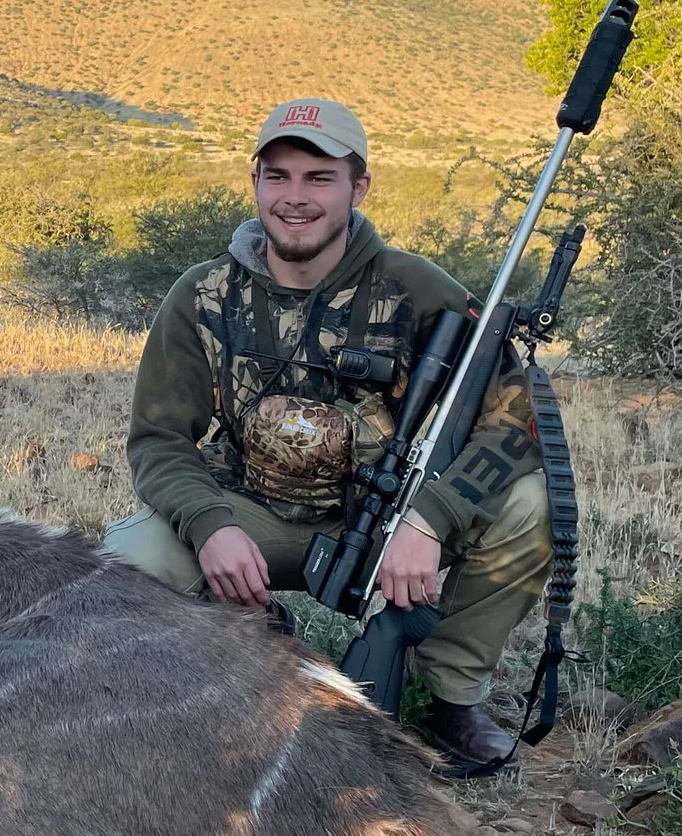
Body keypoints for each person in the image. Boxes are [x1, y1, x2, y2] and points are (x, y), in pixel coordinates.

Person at [102, 98, 552, 769]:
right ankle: (242, 647)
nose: (295, 197)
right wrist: (211, 527)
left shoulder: (418, 287)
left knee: (529, 506)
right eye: (278, 176)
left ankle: (451, 697)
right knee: (129, 559)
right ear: (255, 182)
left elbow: (515, 420)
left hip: (386, 524)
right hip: (250, 514)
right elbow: (159, 440)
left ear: (358, 187)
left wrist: (430, 518)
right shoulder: (203, 293)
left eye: (319, 178)